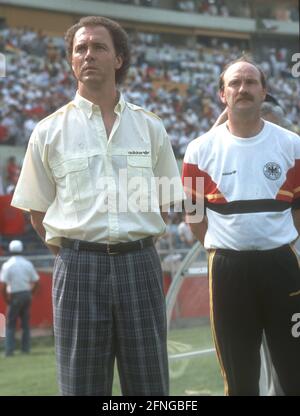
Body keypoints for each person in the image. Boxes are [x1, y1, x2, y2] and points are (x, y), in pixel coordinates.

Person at [11, 16, 184, 396]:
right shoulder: (47, 131)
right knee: (80, 387)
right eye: (80, 49)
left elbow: (167, 200)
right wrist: (77, 250)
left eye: (99, 47)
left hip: (140, 265)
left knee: (150, 386)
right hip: (77, 270)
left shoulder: (151, 126)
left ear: (119, 58)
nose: (88, 54)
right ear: (72, 61)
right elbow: (37, 211)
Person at [182, 57, 300, 395]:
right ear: (222, 94)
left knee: (294, 368)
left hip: (282, 265)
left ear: (264, 92)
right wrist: (225, 245)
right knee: (239, 375)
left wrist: (275, 240)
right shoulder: (199, 150)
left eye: (250, 82)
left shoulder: (292, 145)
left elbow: (298, 209)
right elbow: (193, 214)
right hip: (228, 269)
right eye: (234, 83)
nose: (242, 89)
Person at [0, 240, 39, 356]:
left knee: (11, 323)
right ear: (21, 249)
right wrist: (31, 293)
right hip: (26, 294)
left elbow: (3, 285)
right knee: (25, 324)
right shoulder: (27, 263)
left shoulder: (7, 265)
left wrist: (6, 298)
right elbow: (36, 281)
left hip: (15, 295)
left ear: (10, 250)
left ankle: (9, 351)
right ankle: (25, 349)